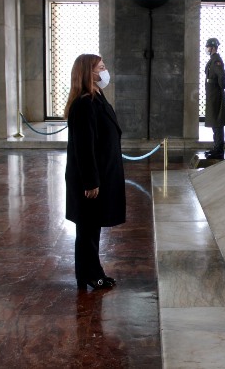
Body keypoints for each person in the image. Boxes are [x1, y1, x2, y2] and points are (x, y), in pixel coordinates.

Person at [64, 54, 124, 290]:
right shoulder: (84, 104)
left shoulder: (97, 97)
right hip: (90, 178)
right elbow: (84, 146)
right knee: (87, 229)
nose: (105, 71)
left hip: (102, 173)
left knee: (92, 227)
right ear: (89, 73)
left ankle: (92, 273)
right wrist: (90, 182)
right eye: (101, 67)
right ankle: (90, 275)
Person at [203, 37, 225, 159]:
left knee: (217, 122)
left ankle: (219, 149)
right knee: (214, 122)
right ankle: (216, 146)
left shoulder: (216, 60)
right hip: (212, 94)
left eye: (208, 47)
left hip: (215, 95)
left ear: (213, 48)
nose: (207, 49)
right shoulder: (212, 60)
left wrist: (221, 86)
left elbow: (221, 75)